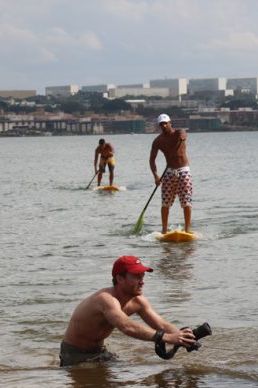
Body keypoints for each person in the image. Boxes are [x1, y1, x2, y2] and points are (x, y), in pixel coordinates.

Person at [60, 255, 196, 366]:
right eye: (137, 277)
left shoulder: (138, 301)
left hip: (99, 351)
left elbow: (161, 325)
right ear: (120, 278)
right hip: (74, 354)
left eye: (142, 277)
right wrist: (167, 338)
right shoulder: (106, 299)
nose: (142, 282)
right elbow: (127, 327)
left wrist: (182, 336)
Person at [149, 114, 193, 234]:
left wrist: (183, 137)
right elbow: (152, 160)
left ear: (170, 122)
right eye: (161, 124)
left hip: (184, 170)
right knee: (165, 203)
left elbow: (184, 134)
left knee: (186, 201)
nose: (163, 125)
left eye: (165, 123)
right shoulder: (158, 140)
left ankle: (187, 229)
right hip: (168, 172)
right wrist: (156, 176)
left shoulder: (179, 133)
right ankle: (164, 230)